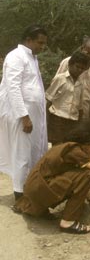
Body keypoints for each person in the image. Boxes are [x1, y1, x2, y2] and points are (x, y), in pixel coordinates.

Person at [13, 119, 90, 234]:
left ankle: (35, 208)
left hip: (34, 189)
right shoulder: (75, 150)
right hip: (39, 189)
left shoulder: (68, 146)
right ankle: (68, 222)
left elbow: (74, 177)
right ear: (88, 141)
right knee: (88, 173)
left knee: (84, 173)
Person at [0, 25, 48, 200]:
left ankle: (29, 188)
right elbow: (13, 87)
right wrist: (24, 116)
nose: (42, 47)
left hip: (33, 116)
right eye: (40, 43)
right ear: (29, 39)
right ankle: (19, 196)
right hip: (21, 116)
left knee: (31, 153)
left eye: (44, 44)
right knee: (22, 155)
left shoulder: (32, 58)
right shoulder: (16, 56)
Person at [46, 51, 90, 145]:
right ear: (70, 65)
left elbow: (80, 107)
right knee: (57, 149)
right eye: (77, 67)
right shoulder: (60, 79)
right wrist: (46, 121)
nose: (79, 70)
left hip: (73, 122)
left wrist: (79, 123)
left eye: (82, 68)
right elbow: (48, 99)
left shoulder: (81, 83)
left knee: (69, 149)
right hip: (58, 120)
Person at [56, 37, 90, 117]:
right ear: (82, 48)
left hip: (84, 109)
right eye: (87, 52)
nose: (89, 56)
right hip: (63, 108)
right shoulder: (67, 62)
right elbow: (56, 83)